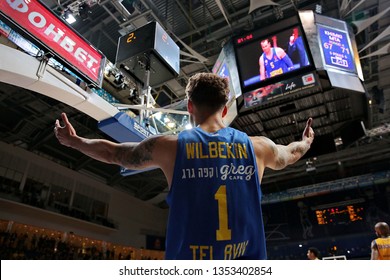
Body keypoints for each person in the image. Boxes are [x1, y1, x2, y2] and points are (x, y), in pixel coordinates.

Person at [54, 73, 314, 260]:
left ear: (190, 107)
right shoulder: (257, 147)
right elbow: (289, 154)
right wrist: (305, 141)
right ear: (224, 110)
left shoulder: (170, 147)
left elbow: (114, 154)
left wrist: (75, 142)